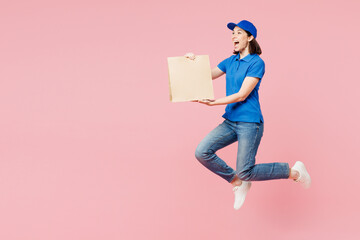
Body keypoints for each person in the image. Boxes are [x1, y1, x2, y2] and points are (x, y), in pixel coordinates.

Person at [185, 20, 311, 210]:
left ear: (250, 37)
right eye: (232, 33)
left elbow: (242, 94)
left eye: (238, 33)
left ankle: (293, 172)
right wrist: (193, 61)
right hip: (230, 121)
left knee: (246, 171)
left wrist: (213, 102)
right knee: (202, 151)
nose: (233, 36)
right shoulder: (230, 61)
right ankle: (237, 182)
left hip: (250, 123)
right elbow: (207, 74)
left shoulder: (256, 62)